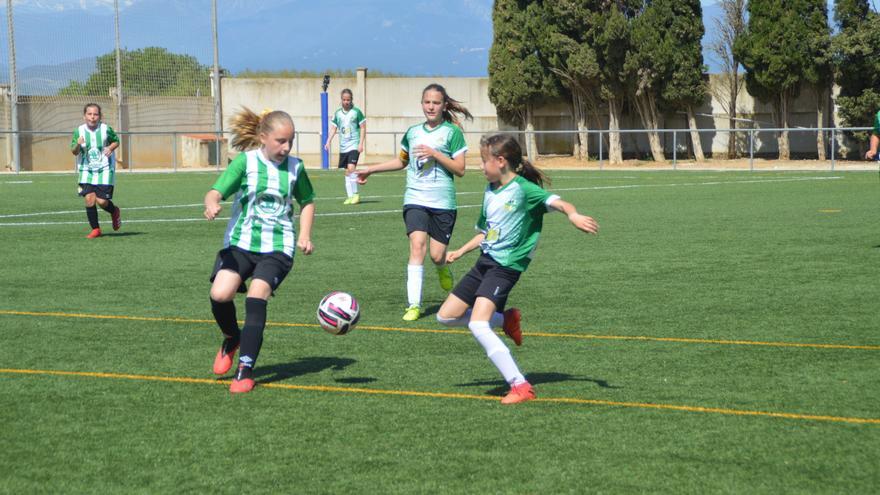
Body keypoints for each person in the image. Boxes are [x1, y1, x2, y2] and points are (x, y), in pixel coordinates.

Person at [436, 133, 599, 404]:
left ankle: (521, 385)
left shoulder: (524, 190)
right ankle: (505, 319)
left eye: (484, 161)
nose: (480, 166)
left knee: (478, 324)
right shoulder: (490, 190)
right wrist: (462, 250)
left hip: (506, 267)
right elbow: (487, 232)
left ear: (501, 161)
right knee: (445, 316)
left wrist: (573, 214)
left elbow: (558, 202)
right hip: (485, 262)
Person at [203, 107, 316, 394]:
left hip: (278, 247)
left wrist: (304, 235)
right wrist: (212, 203)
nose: (286, 147)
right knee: (220, 294)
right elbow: (216, 191)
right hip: (241, 243)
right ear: (263, 137)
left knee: (257, 294)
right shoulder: (245, 163)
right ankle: (231, 337)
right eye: (280, 141)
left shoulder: (296, 168)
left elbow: (308, 201)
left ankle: (245, 370)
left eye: (290, 141)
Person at [356, 83, 472, 321]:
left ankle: (442, 268)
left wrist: (436, 154)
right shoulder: (412, 132)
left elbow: (460, 170)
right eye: (427, 102)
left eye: (436, 102)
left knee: (437, 255)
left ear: (444, 105)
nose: (431, 106)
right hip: (415, 198)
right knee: (417, 245)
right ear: (422, 104)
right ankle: (414, 305)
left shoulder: (452, 133)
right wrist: (371, 170)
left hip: (443, 202)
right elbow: (401, 162)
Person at [71, 103, 121, 238]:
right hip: (86, 170)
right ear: (84, 116)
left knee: (102, 201)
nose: (92, 117)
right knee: (89, 199)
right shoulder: (79, 131)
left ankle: (114, 210)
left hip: (104, 169)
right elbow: (74, 152)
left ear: (100, 116)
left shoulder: (105, 129)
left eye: (95, 114)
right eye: (89, 114)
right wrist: (77, 143)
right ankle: (96, 229)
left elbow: (116, 141)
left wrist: (110, 148)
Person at [324, 89, 366, 205]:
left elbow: (363, 127)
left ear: (351, 100)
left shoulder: (356, 112)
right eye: (344, 99)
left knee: (351, 168)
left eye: (348, 100)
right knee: (347, 172)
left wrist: (361, 143)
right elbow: (333, 128)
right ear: (341, 100)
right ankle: (350, 196)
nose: (346, 102)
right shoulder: (338, 113)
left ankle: (356, 195)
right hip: (344, 147)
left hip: (354, 145)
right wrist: (328, 141)